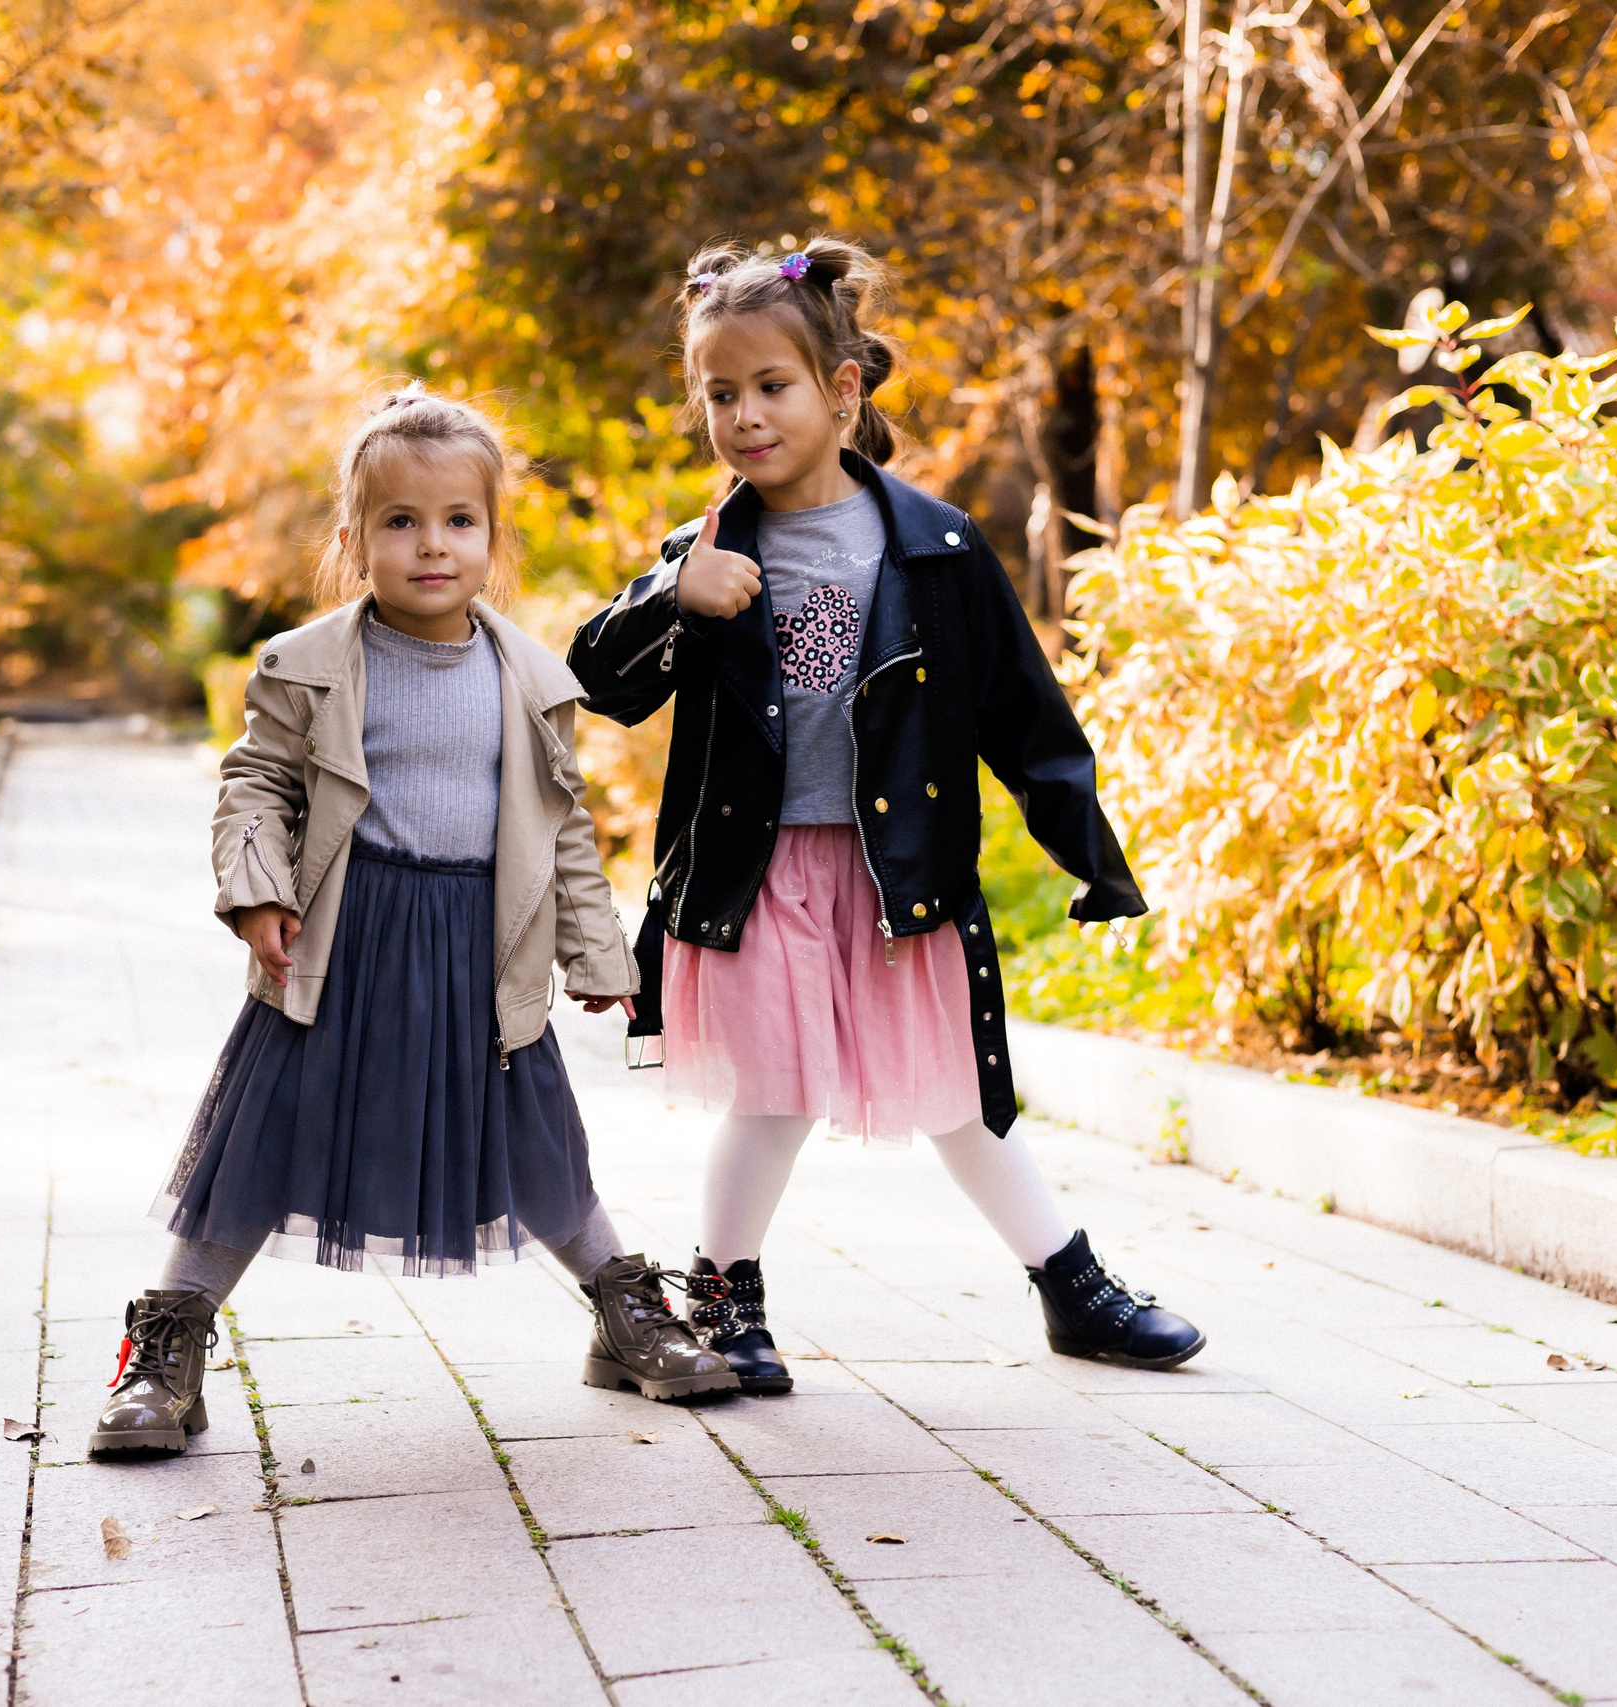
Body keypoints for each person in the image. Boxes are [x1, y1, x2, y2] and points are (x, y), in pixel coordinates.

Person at [566, 238, 1207, 1396]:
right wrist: (672, 597)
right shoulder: (703, 556)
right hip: (756, 874)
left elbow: (1024, 714)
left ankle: (1070, 1288)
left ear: (841, 388)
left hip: (897, 873)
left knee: (957, 1087)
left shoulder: (936, 550)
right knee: (775, 1090)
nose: (744, 416)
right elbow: (596, 682)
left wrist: (1089, 855)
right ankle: (724, 1300)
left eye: (771, 386)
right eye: (719, 393)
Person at [91, 386, 736, 1458]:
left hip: (479, 948)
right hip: (340, 939)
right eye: (400, 521)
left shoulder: (529, 680)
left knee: (533, 1135)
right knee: (260, 1132)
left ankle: (625, 1315)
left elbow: (562, 825)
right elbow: (255, 786)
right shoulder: (307, 666)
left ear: (492, 538)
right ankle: (165, 1345)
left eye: (457, 520)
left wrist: (595, 951)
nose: (431, 544)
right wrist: (259, 890)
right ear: (354, 541)